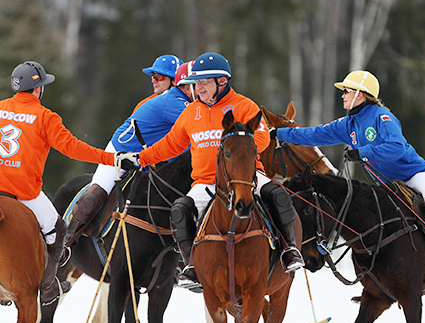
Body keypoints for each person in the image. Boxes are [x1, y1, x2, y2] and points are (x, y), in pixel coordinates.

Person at [272, 70, 425, 286]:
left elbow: (396, 147)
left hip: (414, 175)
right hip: (387, 186)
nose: (342, 95)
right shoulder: (348, 124)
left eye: (346, 91)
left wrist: (363, 152)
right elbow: (314, 134)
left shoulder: (382, 117)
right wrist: (279, 134)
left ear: (360, 94)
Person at [117, 52, 304, 283]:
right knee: (179, 211)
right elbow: (169, 146)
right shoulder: (191, 113)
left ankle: (289, 250)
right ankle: (192, 265)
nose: (198, 88)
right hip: (205, 182)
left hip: (246, 178)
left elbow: (263, 138)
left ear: (222, 81)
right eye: (195, 83)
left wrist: (238, 146)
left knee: (279, 195)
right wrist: (139, 159)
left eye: (203, 82)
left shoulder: (244, 106)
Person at [0, 60, 130, 305]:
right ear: (37, 89)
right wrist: (111, 157)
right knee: (58, 229)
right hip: (24, 192)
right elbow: (73, 148)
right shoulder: (45, 116)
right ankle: (49, 284)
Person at [67, 60, 194, 239]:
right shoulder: (172, 102)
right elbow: (197, 132)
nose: (154, 80)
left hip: (148, 161)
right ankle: (65, 244)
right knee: (93, 198)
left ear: (176, 80)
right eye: (153, 77)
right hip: (120, 154)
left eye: (159, 77)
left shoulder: (179, 102)